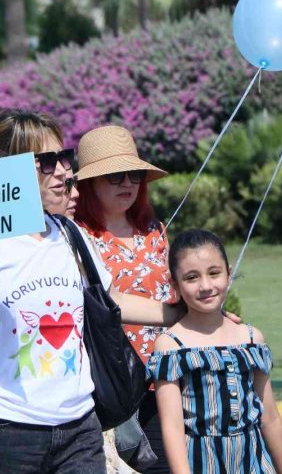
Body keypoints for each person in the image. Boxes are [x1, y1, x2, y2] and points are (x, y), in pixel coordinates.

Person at [0, 109, 184, 474]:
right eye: (48, 161)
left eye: (63, 158)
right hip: (6, 433)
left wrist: (183, 314)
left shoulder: (69, 233)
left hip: (80, 429)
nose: (65, 171)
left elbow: (109, 300)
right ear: (11, 168)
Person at [75, 125, 177, 473]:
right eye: (115, 176)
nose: (128, 184)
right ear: (89, 184)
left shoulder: (155, 229)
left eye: (134, 175)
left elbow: (178, 291)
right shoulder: (77, 237)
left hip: (167, 376)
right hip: (114, 383)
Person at [149, 229, 282, 474]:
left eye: (214, 273)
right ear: (175, 283)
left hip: (254, 465)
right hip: (201, 465)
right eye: (192, 278)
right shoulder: (171, 345)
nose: (205, 285)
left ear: (228, 272)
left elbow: (270, 418)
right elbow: (172, 428)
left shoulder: (251, 338)